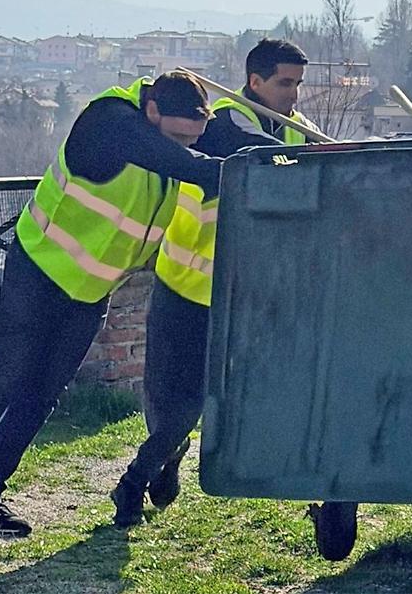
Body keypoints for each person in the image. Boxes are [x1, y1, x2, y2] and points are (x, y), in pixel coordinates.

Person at [0, 72, 219, 538]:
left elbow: (191, 162)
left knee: (39, 396)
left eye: (194, 138)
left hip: (89, 291)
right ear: (152, 112)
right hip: (39, 272)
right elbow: (188, 166)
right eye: (179, 136)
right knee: (7, 382)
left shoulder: (159, 134)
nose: (185, 146)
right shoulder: (110, 121)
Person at [111, 39, 320, 526]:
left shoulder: (295, 133)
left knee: (197, 400)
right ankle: (163, 461)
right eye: (285, 83)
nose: (293, 95)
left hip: (243, 294)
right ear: (255, 83)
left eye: (298, 85)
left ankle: (134, 481)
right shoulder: (221, 121)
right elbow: (247, 154)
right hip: (185, 282)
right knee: (171, 401)